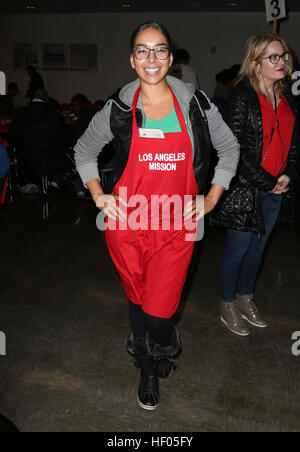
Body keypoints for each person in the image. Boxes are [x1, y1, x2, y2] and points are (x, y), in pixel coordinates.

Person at [75, 22, 240, 411]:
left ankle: (163, 343)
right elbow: (83, 151)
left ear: (171, 57)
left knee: (159, 314)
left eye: (160, 49)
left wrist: (212, 198)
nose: (152, 58)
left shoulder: (196, 105)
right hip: (126, 225)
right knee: (137, 301)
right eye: (143, 50)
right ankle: (147, 368)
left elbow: (229, 148)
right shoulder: (117, 109)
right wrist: (98, 194)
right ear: (132, 60)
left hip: (175, 226)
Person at [212, 33, 299, 337]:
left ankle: (245, 297)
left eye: (284, 56)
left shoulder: (287, 95)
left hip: (276, 187)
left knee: (258, 249)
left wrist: (288, 172)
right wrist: (268, 181)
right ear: (255, 63)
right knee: (238, 249)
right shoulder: (242, 96)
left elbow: (294, 142)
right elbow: (233, 148)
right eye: (273, 57)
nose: (281, 62)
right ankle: (227, 303)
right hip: (247, 188)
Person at [10, 89, 72, 192]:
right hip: (48, 160)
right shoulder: (54, 114)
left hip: (24, 160)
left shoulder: (19, 113)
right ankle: (54, 183)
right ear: (46, 100)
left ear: (30, 99)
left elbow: (11, 137)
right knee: (67, 157)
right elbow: (65, 137)